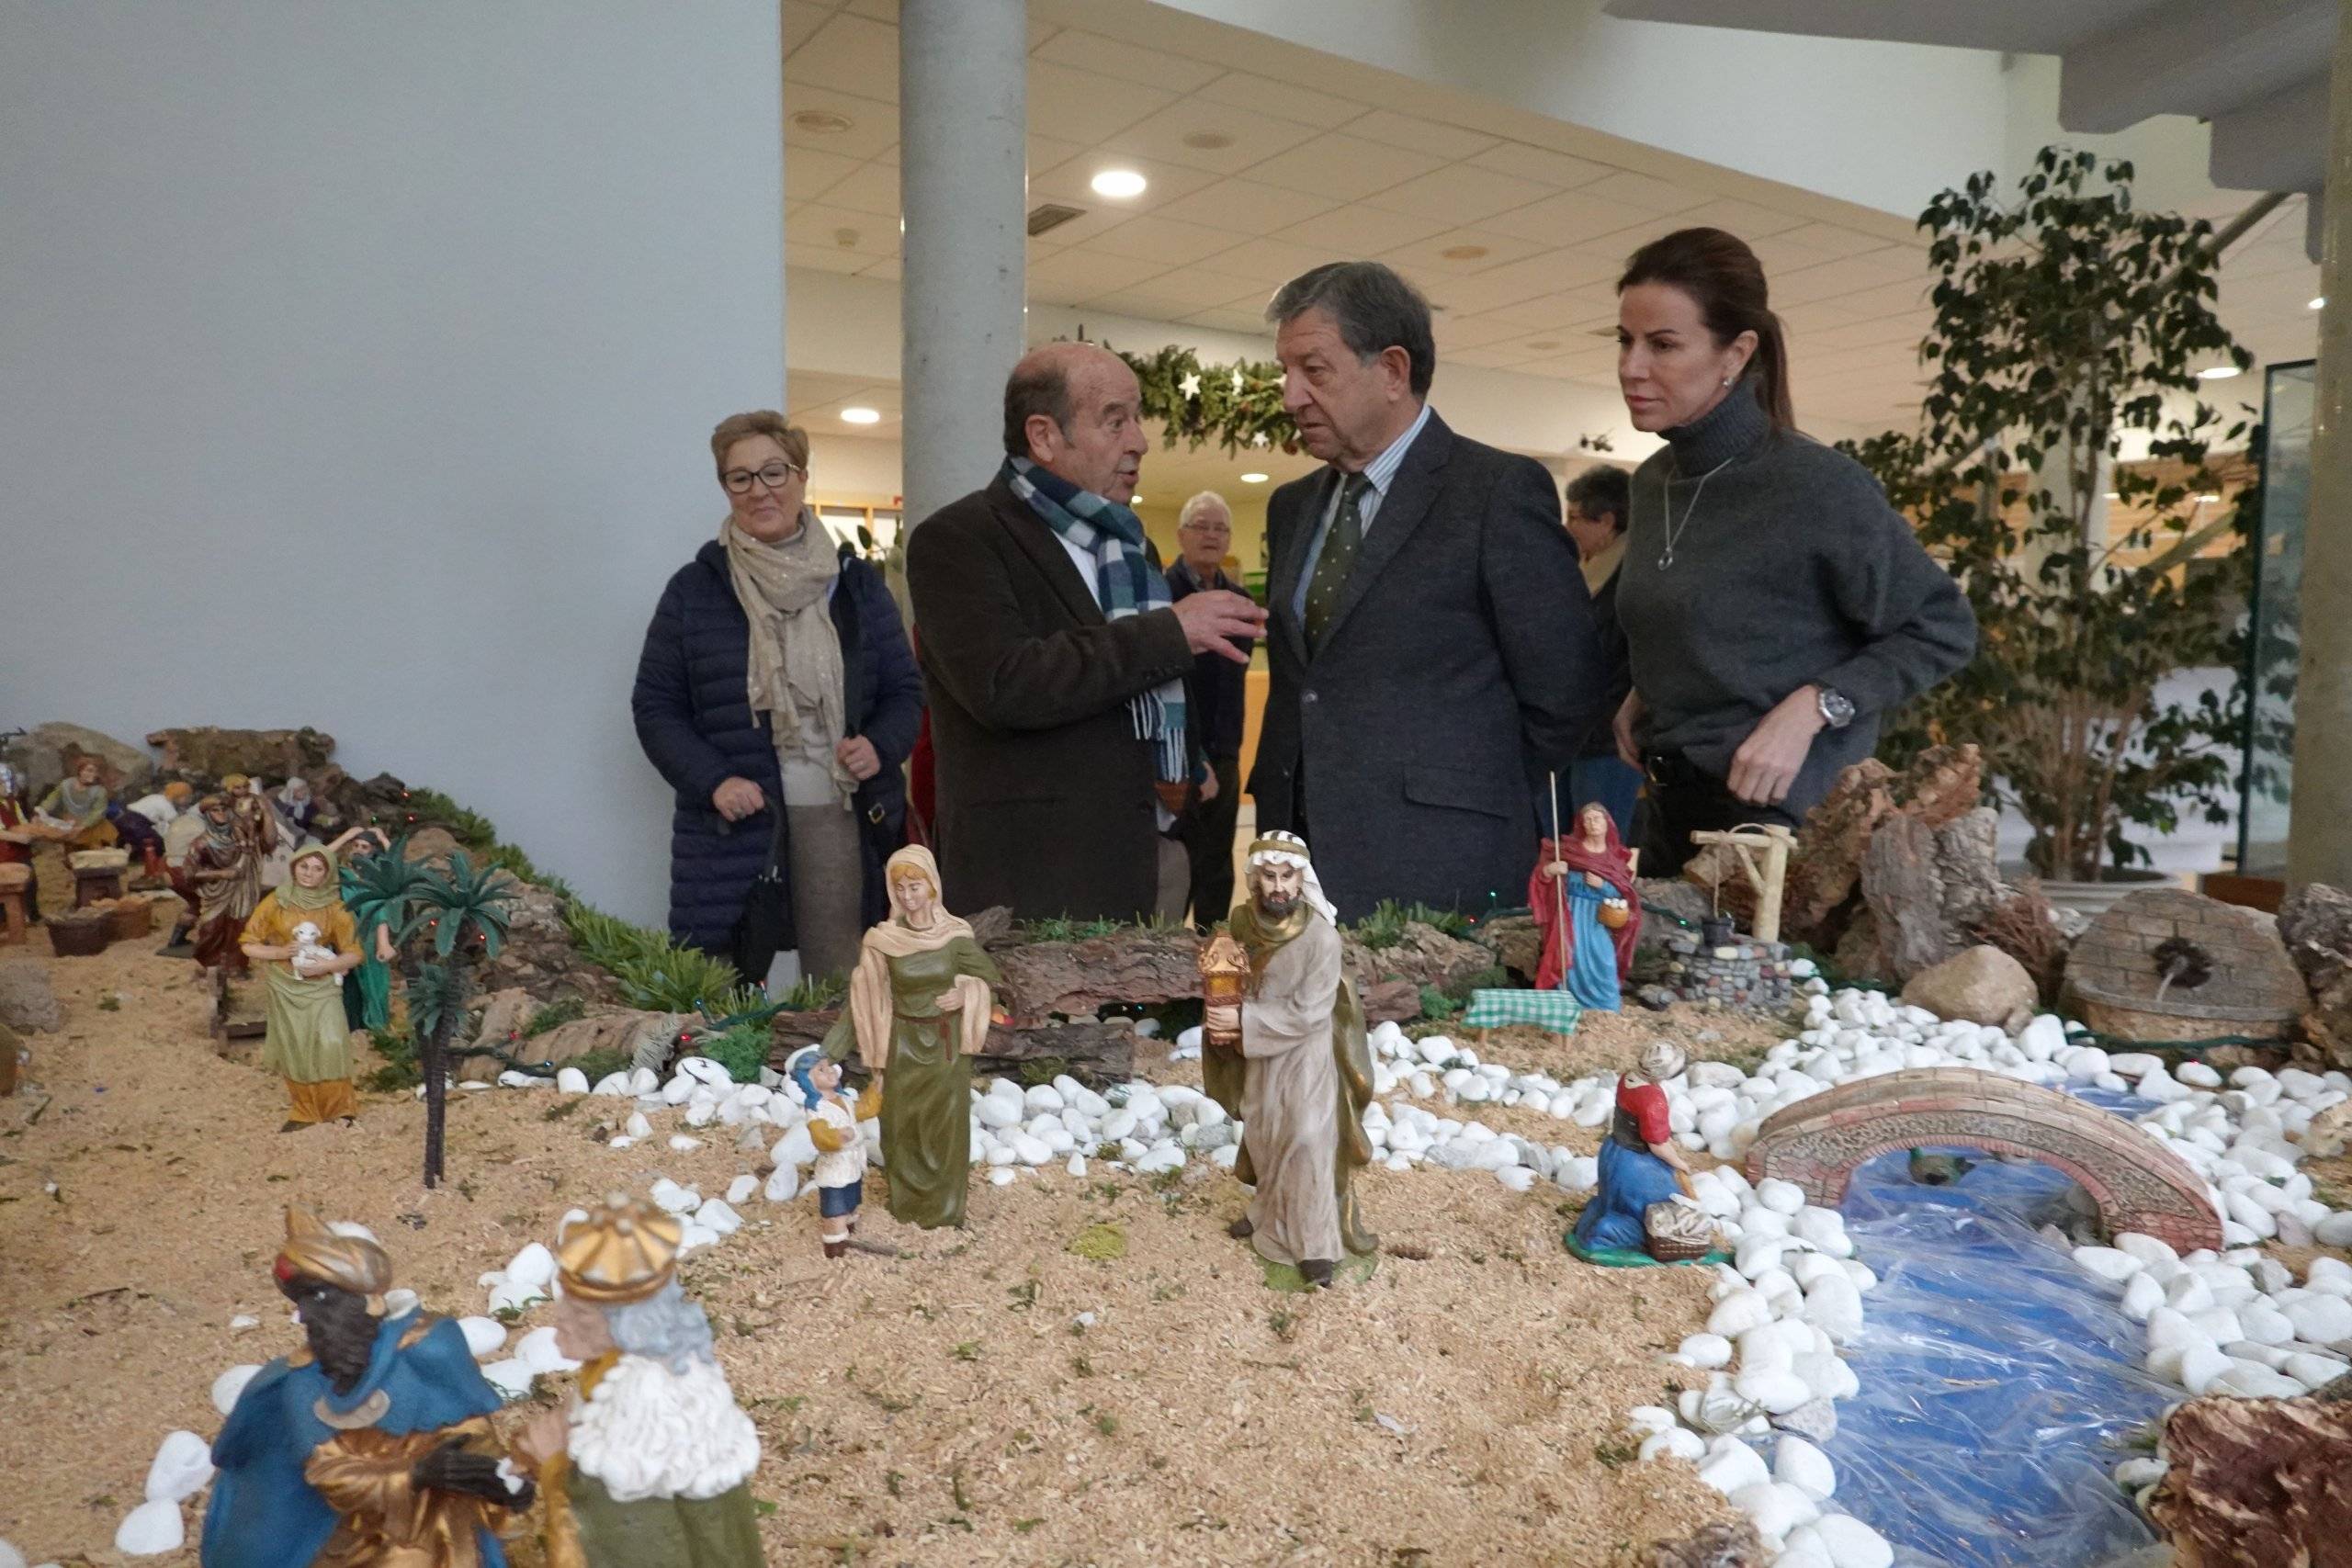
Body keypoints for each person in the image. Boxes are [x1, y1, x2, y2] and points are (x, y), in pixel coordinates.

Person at [1609, 228, 1976, 874]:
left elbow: (1942, 627)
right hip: (1667, 807)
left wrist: (1814, 707)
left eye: (1663, 345)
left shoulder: (1817, 485)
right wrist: (1655, 683)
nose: (1632, 367)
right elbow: (1723, 621)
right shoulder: (1652, 482)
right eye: (1625, 341)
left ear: (1736, 353)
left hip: (1779, 827)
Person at [1253, 262, 1607, 921]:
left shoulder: (1495, 492)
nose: (1290, 395)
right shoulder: (1292, 506)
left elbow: (1565, 689)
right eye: (1286, 371)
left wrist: (1474, 791)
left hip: (1445, 864)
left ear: (1392, 369)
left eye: (1314, 370)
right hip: (1294, 862)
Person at [906, 342, 1264, 922]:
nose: (1140, 440)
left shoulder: (1130, 545)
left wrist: (1190, 760)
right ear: (1044, 436)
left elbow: (1149, 686)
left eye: (1138, 417)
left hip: (1153, 862)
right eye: (1114, 419)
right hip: (1035, 885)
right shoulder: (958, 539)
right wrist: (1169, 631)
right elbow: (1005, 684)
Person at [633, 412, 923, 979]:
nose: (759, 490)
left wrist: (880, 746)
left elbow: (905, 691)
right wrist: (714, 780)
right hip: (734, 828)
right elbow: (655, 707)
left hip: (839, 816)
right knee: (724, 998)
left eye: (773, 471)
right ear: (725, 488)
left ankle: (836, 1072)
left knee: (844, 985)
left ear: (801, 476)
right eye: (740, 477)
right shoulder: (693, 592)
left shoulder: (857, 584)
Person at [204, 1208, 530, 1568]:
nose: (308, 1317)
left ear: (369, 1300)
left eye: (323, 1298)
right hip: (361, 1525)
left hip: (437, 1520)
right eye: (303, 1302)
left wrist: (503, 1486)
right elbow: (328, 1474)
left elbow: (474, 1434)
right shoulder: (304, 1382)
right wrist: (415, 1474)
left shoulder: (428, 1348)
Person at [511, 1196, 763, 1567]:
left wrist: (554, 1465)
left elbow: (620, 1509)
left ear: (628, 1322)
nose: (562, 1321)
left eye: (580, 1313)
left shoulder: (653, 1390)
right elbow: (591, 1410)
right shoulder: (612, 1364)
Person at [1202, 831, 1376, 1288]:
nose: (1278, 886)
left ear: (1302, 880)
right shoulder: (1242, 923)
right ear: (1256, 879)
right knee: (1265, 1134)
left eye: (1286, 876)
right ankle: (1267, 1216)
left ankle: (1316, 1246)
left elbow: (1309, 1013)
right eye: (1269, 876)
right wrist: (1221, 1007)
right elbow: (1230, 976)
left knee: (1306, 1139)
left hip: (1304, 1056)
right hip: (1259, 1057)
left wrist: (1243, 1021)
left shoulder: (1321, 938)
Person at [822, 846, 1001, 1230]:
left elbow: (992, 979)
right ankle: (907, 1206)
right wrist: (830, 1051)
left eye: (914, 886)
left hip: (944, 1047)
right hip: (901, 1043)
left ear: (932, 887)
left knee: (943, 1129)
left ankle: (945, 1209)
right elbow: (861, 1000)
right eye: (899, 887)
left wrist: (965, 992)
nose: (907, 896)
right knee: (901, 1127)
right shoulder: (884, 940)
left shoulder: (953, 938)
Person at [1166, 490, 1254, 929]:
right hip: (1175, 753)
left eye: (1221, 528)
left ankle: (1216, 959)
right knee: (1176, 862)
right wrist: (1193, 758)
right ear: (1182, 535)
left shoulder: (1240, 601)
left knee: (1218, 863)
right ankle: (1162, 965)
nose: (1212, 535)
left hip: (1226, 747)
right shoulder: (1162, 596)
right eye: (1202, 526)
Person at [241, 845, 365, 1130]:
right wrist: (282, 953)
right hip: (286, 985)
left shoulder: (336, 907)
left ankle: (341, 1109)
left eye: (317, 868)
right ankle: (304, 1111)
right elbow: (248, 944)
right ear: (294, 866)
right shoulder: (277, 901)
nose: (309, 873)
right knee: (296, 1048)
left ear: (328, 873)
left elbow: (354, 952)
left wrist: (324, 967)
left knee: (332, 1042)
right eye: (304, 866)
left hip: (322, 987)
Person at [1562, 468, 1642, 835]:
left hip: (1609, 738)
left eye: (1576, 517)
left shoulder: (1633, 573)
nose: (1568, 525)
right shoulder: (1587, 567)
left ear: (1607, 520)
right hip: (1576, 734)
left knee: (1598, 851)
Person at [1571, 1041, 1696, 1258]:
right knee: (1663, 1203)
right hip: (1635, 1163)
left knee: (1615, 1200)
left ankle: (1603, 1216)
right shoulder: (1653, 1099)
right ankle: (1612, 1232)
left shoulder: (1629, 1077)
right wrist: (1678, 1162)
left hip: (1613, 1152)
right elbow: (1657, 1144)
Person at [1532, 803, 1641, 1012]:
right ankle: (1569, 1006)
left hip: (1597, 918)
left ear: (1607, 823)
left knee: (1604, 959)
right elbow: (1541, 877)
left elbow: (1625, 891)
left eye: (1596, 818)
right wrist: (1550, 869)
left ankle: (1605, 1008)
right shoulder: (1569, 851)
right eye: (1587, 820)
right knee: (1569, 959)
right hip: (1570, 916)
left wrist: (1603, 886)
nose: (1592, 823)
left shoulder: (1614, 857)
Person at [786, 1044, 880, 1258]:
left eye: (829, 1067)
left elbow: (865, 1109)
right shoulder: (817, 1109)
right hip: (835, 1167)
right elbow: (820, 1137)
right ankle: (835, 1244)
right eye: (821, 1070)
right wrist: (837, 1137)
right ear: (807, 1079)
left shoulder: (844, 1099)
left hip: (853, 1163)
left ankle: (850, 1228)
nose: (829, 1072)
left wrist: (877, 1087)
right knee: (835, 1208)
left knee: (852, 1200)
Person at [188, 791, 274, 974]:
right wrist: (222, 874)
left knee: (240, 927)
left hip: (243, 892)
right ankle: (210, 966)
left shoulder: (244, 838)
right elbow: (191, 872)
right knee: (211, 928)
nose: (221, 813)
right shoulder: (201, 843)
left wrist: (266, 812)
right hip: (216, 894)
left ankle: (235, 966)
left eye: (224, 809)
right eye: (215, 810)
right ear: (207, 815)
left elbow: (269, 842)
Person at [35, 757, 117, 848]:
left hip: (90, 825)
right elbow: (52, 799)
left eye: (95, 772)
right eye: (89, 771)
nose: (93, 775)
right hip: (70, 822)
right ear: (80, 771)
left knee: (94, 848)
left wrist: (83, 826)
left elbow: (98, 812)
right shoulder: (66, 784)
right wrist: (41, 811)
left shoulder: (99, 791)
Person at [0, 763, 39, 924]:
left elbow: (21, 822)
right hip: (5, 853)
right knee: (8, 887)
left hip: (21, 851)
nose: (4, 785)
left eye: (4, 781)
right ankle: (7, 919)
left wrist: (31, 829)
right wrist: (18, 837)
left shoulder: (12, 802)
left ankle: (31, 915)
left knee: (31, 883)